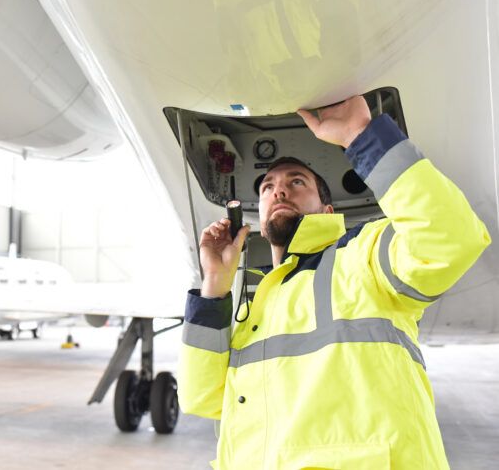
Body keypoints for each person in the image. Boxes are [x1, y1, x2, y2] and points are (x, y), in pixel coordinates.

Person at [177, 96, 491, 469]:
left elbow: (451, 237)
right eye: (267, 187)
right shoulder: (260, 306)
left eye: (297, 182)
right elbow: (204, 399)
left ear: (328, 210)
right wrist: (214, 286)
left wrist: (361, 135)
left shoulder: (360, 259)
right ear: (259, 217)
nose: (279, 191)